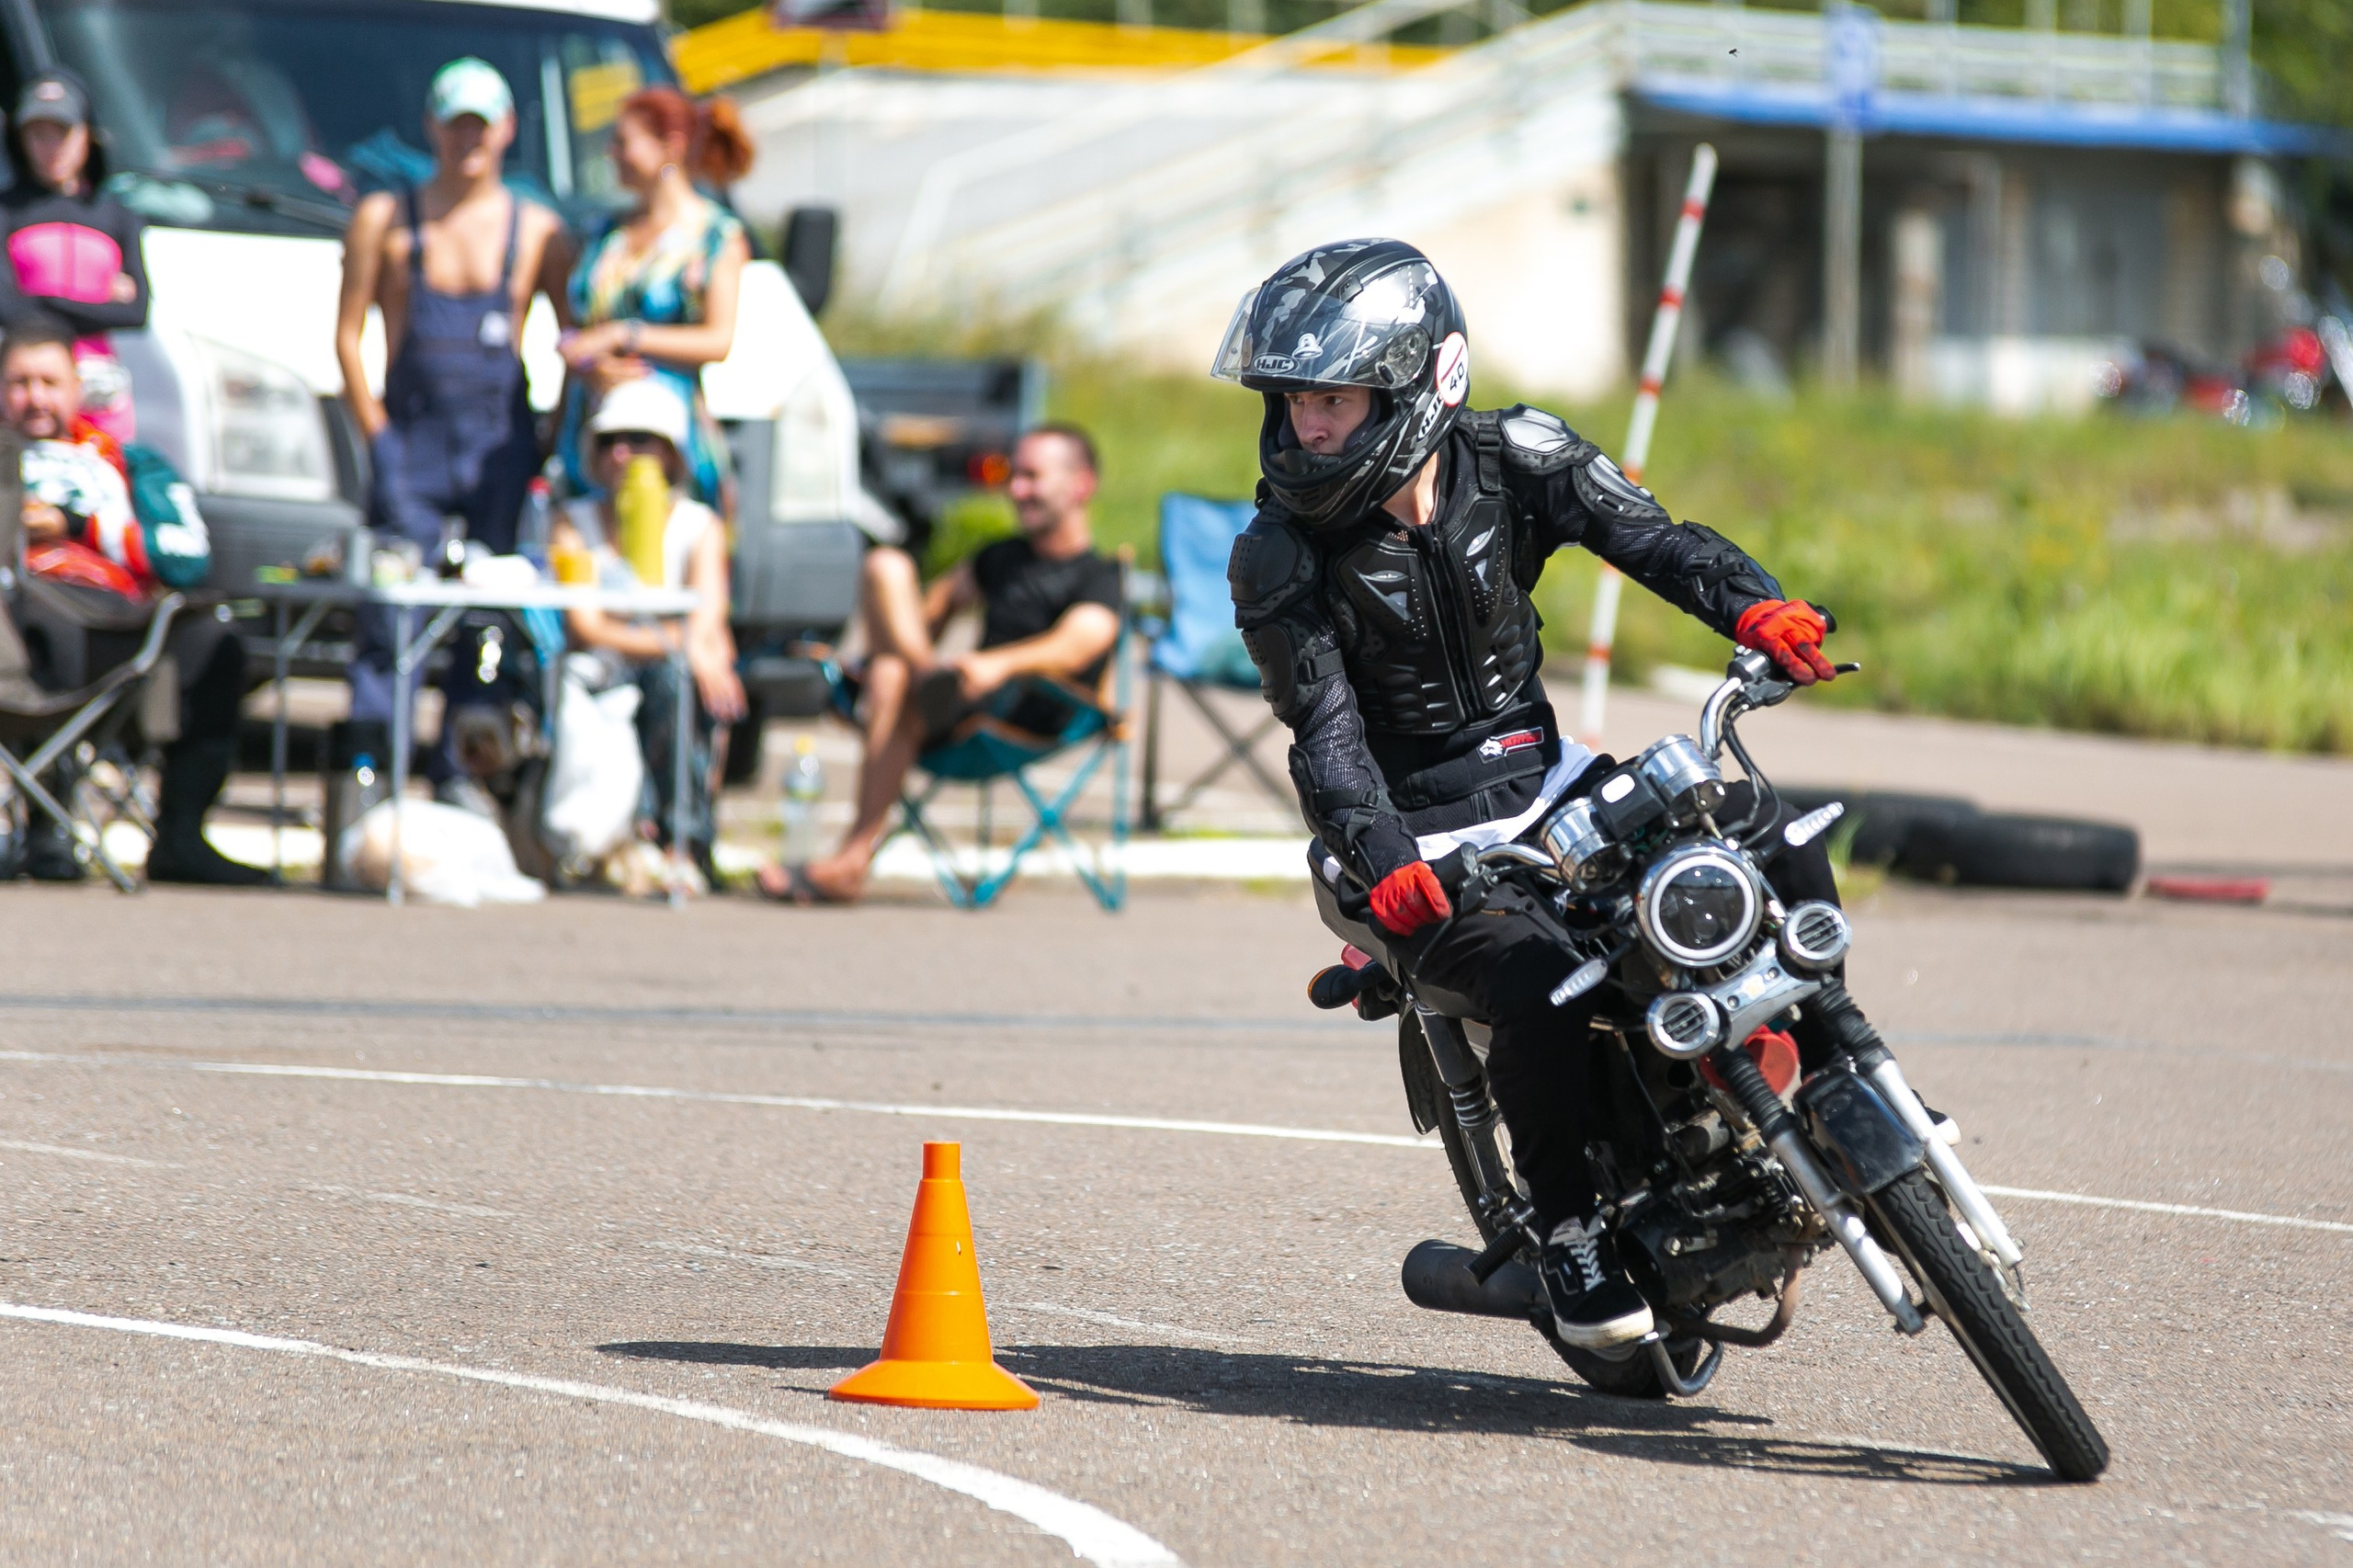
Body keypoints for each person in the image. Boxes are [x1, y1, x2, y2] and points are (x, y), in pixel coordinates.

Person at [1218, 240, 1850, 1350]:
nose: (1304, 427)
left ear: (1423, 383)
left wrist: (1754, 608)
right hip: (1408, 835)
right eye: (1290, 402)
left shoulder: (1517, 455)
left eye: (1328, 397)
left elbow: (1654, 541)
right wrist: (1379, 855)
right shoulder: (1278, 555)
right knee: (1546, 985)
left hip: (1549, 785)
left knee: (1768, 834)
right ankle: (1567, 1231)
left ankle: (1840, 1081)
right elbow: (1323, 739)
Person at [333, 57, 572, 797]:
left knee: (487, 620)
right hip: (413, 443)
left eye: (481, 124)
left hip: (498, 444)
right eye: (454, 123)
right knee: (391, 617)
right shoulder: (387, 218)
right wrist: (377, 435)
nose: (467, 139)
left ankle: (465, 779)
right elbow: (348, 336)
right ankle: (372, 779)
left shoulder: (538, 232)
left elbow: (572, 341)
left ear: (505, 130)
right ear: (432, 127)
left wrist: (550, 437)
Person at [758, 425, 1122, 905]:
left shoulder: (1099, 575)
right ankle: (925, 680)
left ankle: (851, 858)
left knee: (891, 676)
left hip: (1024, 712)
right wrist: (917, 649)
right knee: (887, 571)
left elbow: (1077, 644)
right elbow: (933, 607)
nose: (1016, 490)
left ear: (1081, 485)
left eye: (1032, 477)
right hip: (953, 700)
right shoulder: (1001, 557)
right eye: (1014, 477)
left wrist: (994, 666)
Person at [3, 317, 265, 885]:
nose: (35, 399)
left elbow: (187, 555)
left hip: (121, 615)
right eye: (19, 383)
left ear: (77, 388)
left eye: (49, 382)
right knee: (43, 625)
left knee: (214, 642)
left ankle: (181, 837)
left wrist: (80, 523)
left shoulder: (125, 463)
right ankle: (48, 827)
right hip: (23, 618)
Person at [545, 378, 745, 881]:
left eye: (638, 441)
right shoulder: (572, 522)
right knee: (669, 672)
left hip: (664, 672)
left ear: (671, 453)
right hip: (594, 671)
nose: (622, 455)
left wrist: (692, 648)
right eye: (610, 442)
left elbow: (706, 620)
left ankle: (683, 841)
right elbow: (582, 627)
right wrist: (673, 643)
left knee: (679, 683)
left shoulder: (700, 527)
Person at [555, 86, 753, 515]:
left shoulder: (715, 237)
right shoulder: (605, 233)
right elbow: (578, 325)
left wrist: (625, 336)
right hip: (594, 435)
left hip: (667, 440)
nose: (612, 154)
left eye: (623, 142)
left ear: (671, 147)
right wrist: (588, 360)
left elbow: (718, 341)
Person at [0, 68, 150, 443]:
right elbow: (6, 309)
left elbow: (137, 312)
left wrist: (42, 301)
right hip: (29, 383)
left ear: (87, 136)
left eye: (61, 133)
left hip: (97, 385)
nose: (50, 147)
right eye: (38, 135)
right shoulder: (7, 211)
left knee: (104, 483)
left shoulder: (116, 214)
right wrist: (95, 306)